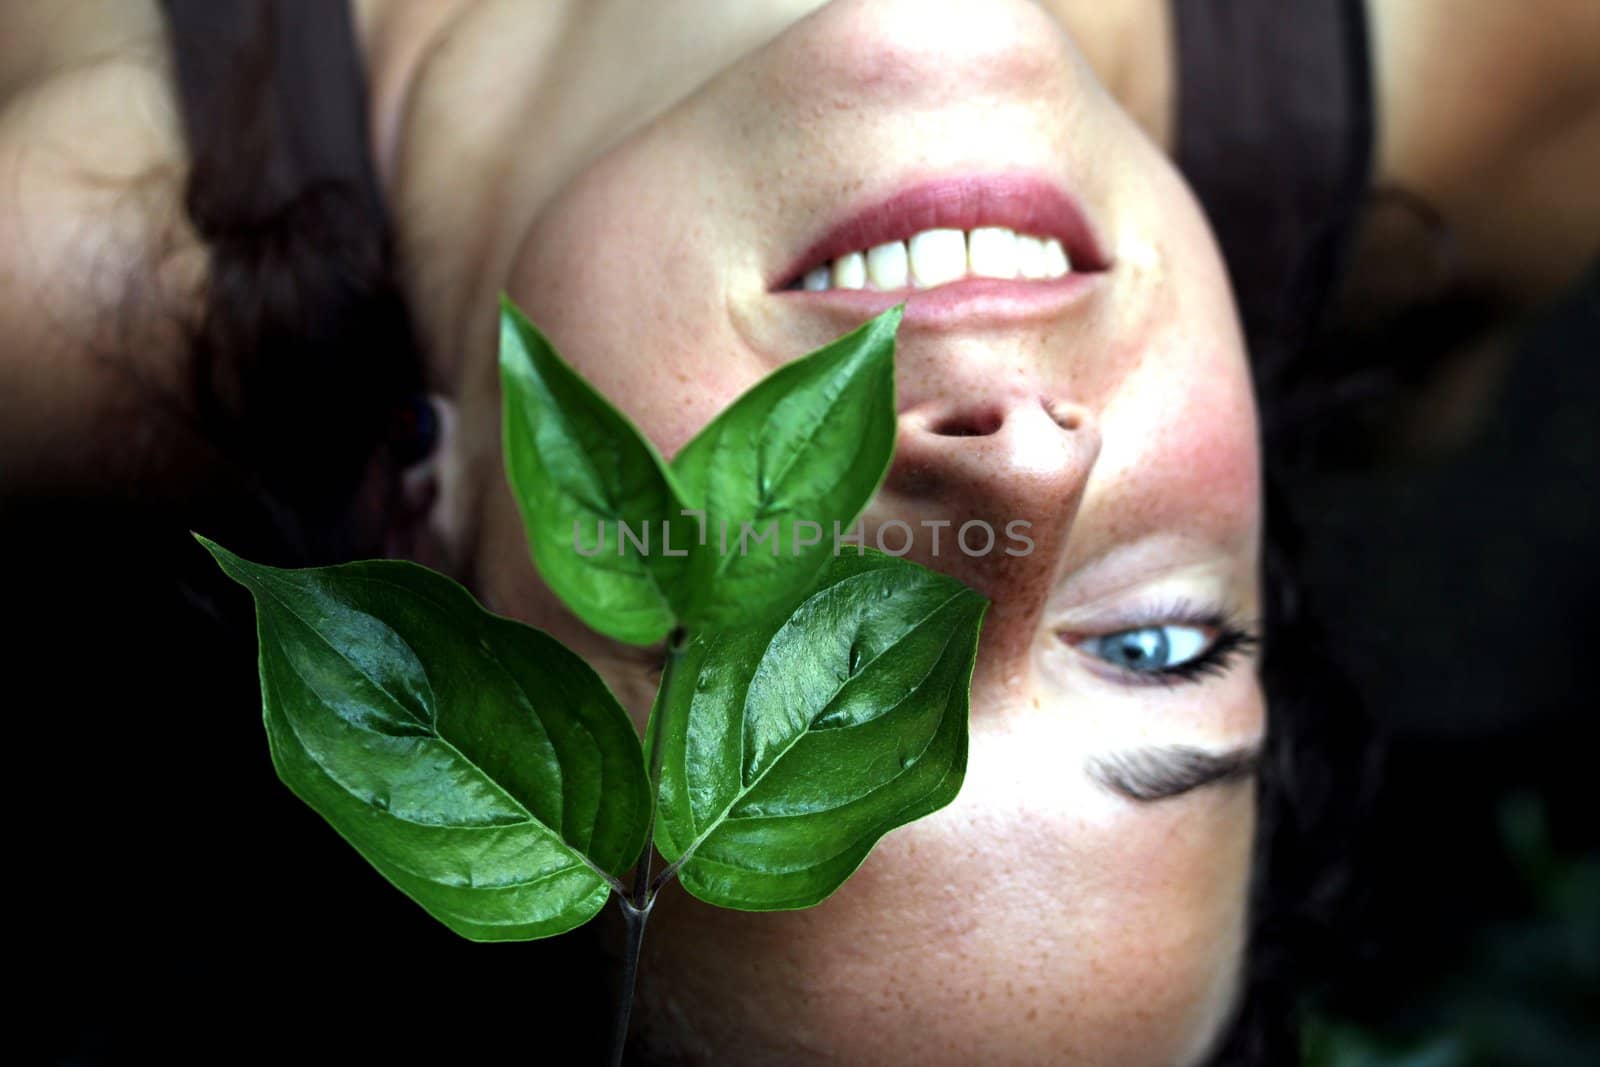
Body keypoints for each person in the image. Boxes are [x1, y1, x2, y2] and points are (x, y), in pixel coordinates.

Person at [2, 2, 1594, 1064]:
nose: (1022, 474)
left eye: (776, 666)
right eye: (1160, 645)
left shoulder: (65, 248)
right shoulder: (1503, 91)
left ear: (424, 530)